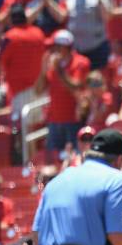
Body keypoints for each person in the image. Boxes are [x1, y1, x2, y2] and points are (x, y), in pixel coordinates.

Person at [34, 29, 90, 163]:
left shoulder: (81, 62)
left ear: (66, 47)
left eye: (56, 47)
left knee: (75, 160)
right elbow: (38, 89)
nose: (53, 50)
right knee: (53, 161)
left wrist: (59, 70)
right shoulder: (52, 64)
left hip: (73, 121)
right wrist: (43, 69)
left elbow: (76, 85)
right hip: (54, 121)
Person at [0, 3, 45, 124]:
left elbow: (1, 59)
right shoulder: (38, 32)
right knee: (37, 130)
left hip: (20, 91)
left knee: (23, 132)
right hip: (39, 89)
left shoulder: (10, 36)